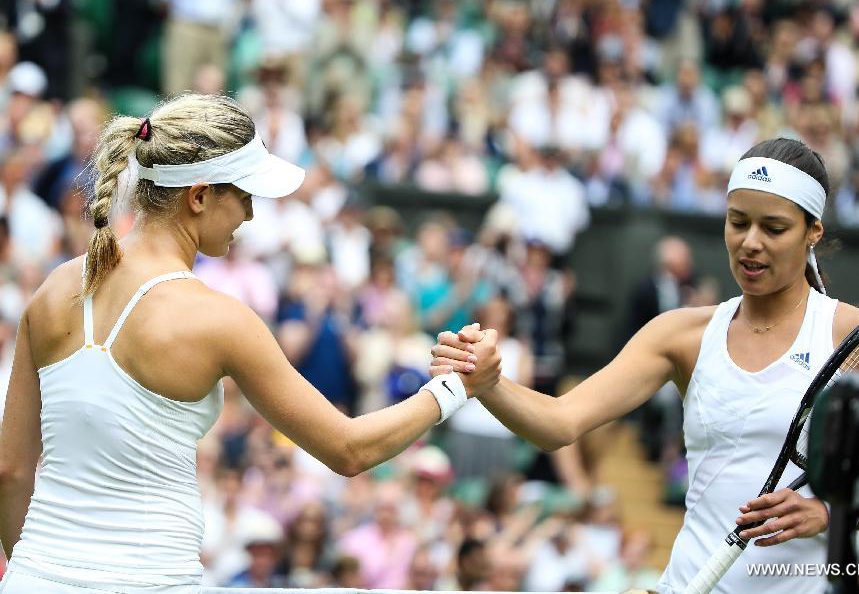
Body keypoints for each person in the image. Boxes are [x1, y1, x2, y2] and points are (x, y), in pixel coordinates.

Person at [0, 93, 500, 593]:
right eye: (244, 195)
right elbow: (349, 450)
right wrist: (455, 387)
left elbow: (10, 471)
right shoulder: (219, 319)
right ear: (198, 197)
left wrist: (45, 572)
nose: (251, 215)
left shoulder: (53, 290)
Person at [431, 137, 859, 593]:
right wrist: (487, 381)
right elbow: (560, 422)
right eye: (738, 222)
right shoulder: (679, 334)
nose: (750, 243)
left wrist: (833, 515)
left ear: (812, 232)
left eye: (774, 229)